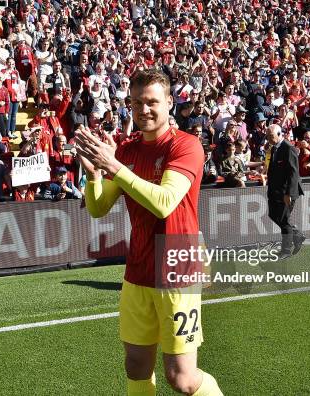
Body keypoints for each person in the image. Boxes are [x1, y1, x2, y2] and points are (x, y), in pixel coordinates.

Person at [75, 69, 221, 396]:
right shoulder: (126, 150)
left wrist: (114, 167)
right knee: (136, 365)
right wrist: (95, 175)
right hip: (138, 267)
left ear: (169, 102)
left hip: (177, 267)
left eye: (152, 102)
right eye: (137, 102)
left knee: (181, 378)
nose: (144, 110)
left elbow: (165, 203)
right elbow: (99, 208)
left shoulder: (186, 145)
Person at [266, 124, 305, 258]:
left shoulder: (288, 148)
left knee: (283, 220)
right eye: (268, 136)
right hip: (275, 190)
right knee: (273, 215)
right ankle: (296, 234)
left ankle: (286, 250)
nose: (269, 139)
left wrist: (288, 194)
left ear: (279, 134)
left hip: (287, 192)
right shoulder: (274, 148)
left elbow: (293, 173)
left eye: (271, 136)